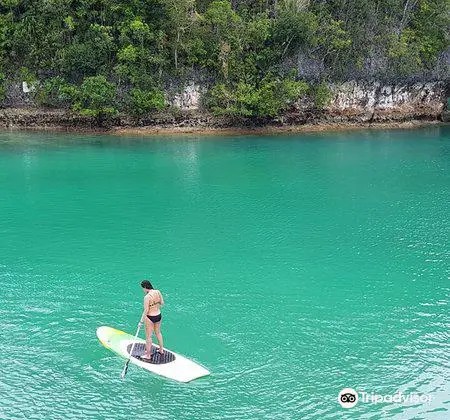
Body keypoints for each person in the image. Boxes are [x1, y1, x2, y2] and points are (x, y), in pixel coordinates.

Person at [139, 280, 164, 359]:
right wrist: (155, 304)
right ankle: (161, 349)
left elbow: (146, 310)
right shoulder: (157, 292)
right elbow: (162, 303)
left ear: (146, 287)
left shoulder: (147, 297)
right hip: (158, 315)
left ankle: (148, 355)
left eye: (143, 288)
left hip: (150, 317)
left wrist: (141, 321)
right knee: (158, 332)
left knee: (148, 337)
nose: (143, 290)